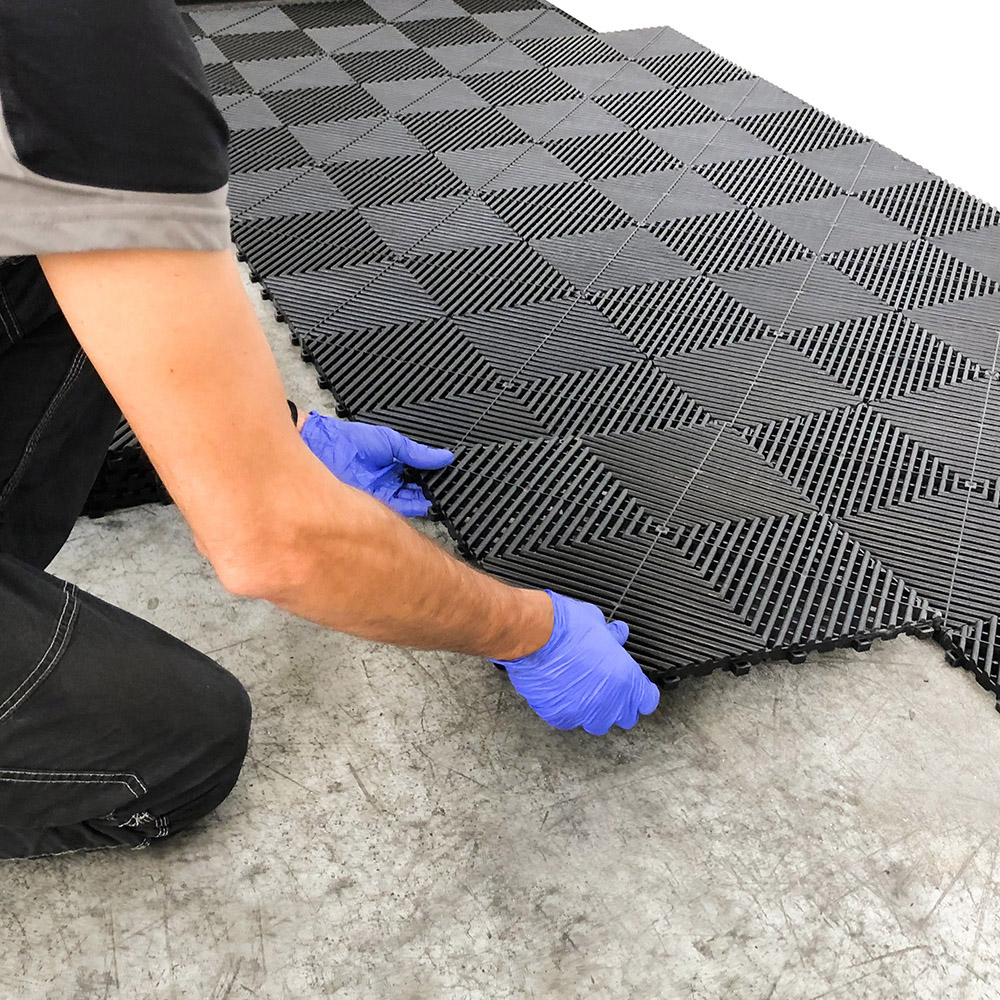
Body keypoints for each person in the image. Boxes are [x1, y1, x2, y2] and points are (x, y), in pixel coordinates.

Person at [0, 0, 658, 860]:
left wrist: (274, 433)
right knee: (177, 742)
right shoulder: (84, 49)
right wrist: (530, 633)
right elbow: (275, 546)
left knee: (59, 245)